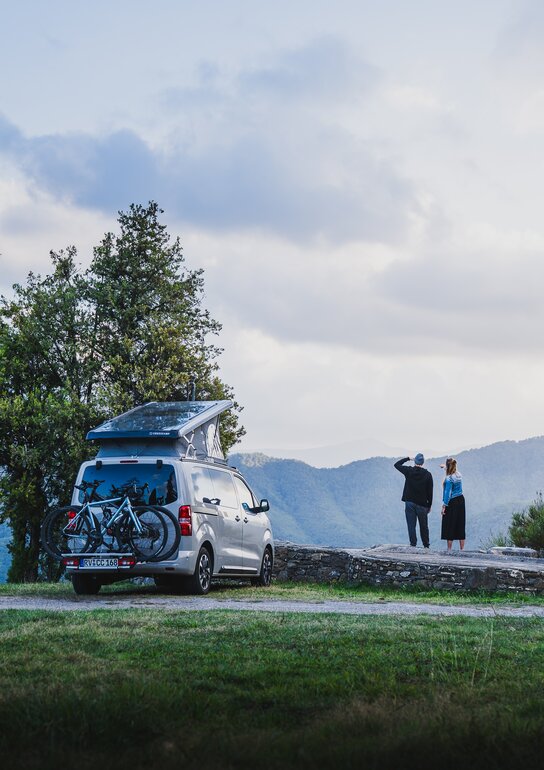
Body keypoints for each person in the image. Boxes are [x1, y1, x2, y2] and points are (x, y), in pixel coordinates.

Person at [394, 454, 433, 548]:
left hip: (410, 503)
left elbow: (397, 465)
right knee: (423, 526)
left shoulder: (409, 471)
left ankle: (413, 544)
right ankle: (426, 545)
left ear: (415, 461)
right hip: (422, 504)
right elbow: (430, 491)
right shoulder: (428, 474)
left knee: (411, 525)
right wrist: (429, 505)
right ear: (423, 463)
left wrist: (408, 458)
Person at [440, 457, 466, 550]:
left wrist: (444, 506)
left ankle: (449, 550)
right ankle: (462, 549)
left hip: (452, 502)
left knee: (450, 524)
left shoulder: (448, 479)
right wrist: (445, 467)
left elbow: (447, 493)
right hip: (461, 500)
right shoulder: (459, 475)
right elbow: (451, 470)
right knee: (460, 523)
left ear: (448, 466)